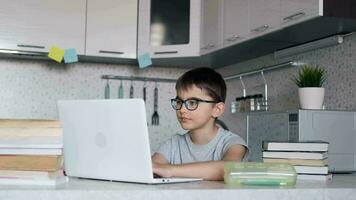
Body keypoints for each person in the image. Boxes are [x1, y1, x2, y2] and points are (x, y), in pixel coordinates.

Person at [152, 67, 248, 181]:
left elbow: (228, 169)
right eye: (179, 102)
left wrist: (170, 170)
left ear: (217, 109)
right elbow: (154, 167)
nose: (182, 109)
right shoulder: (173, 144)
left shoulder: (233, 143)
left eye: (192, 103)